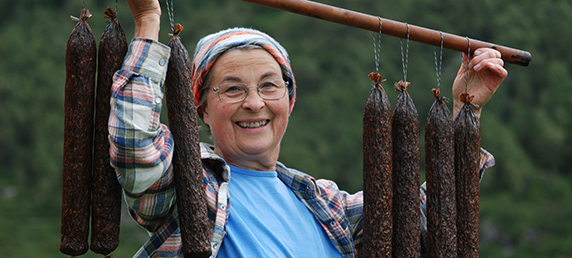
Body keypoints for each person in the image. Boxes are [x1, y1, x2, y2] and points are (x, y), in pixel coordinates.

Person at [109, 0, 508, 257]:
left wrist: (463, 111)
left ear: (288, 100)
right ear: (200, 107)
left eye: (268, 85)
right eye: (232, 89)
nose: (254, 102)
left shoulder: (321, 203)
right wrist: (148, 21)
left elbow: (421, 216)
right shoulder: (188, 184)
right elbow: (134, 146)